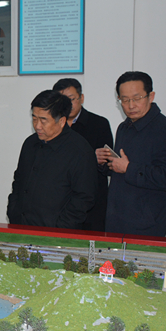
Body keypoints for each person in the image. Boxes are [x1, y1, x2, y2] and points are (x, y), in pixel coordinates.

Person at [95, 72, 166, 237]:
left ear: (151, 96)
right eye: (124, 100)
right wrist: (104, 162)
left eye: (137, 98)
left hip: (145, 225)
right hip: (116, 218)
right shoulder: (124, 127)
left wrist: (128, 168)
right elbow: (119, 168)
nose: (131, 105)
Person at [7, 90, 97, 229]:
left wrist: (60, 227)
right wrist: (13, 211)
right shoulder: (30, 143)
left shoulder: (80, 151)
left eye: (43, 120)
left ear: (61, 121)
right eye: (34, 118)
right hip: (22, 226)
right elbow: (19, 179)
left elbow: (83, 198)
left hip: (56, 233)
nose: (37, 126)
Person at [52, 78, 113, 231]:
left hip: (91, 206)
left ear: (81, 98)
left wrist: (97, 160)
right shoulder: (51, 127)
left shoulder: (99, 124)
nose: (67, 104)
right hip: (59, 204)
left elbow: (109, 166)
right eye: (62, 101)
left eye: (71, 99)